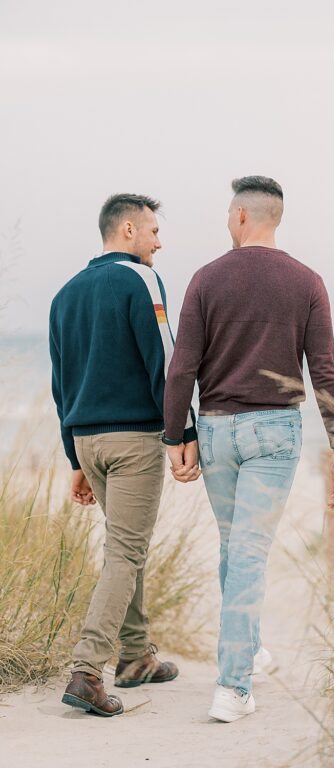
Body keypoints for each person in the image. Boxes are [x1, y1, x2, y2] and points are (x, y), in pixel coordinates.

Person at [163, 175, 334, 723]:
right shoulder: (306, 281)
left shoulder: (205, 278)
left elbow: (182, 368)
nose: (226, 222)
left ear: (244, 217)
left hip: (218, 430)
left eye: (228, 213)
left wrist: (177, 436)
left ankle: (244, 658)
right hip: (273, 433)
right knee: (243, 552)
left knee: (236, 550)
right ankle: (233, 684)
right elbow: (326, 371)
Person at [50, 193, 198, 717]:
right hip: (134, 440)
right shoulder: (141, 279)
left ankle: (136, 658)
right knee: (126, 552)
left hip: (89, 441)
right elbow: (168, 362)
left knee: (124, 546)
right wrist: (183, 433)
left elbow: (60, 384)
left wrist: (74, 458)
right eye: (154, 231)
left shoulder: (65, 294)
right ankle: (88, 670)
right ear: (129, 229)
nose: (160, 241)